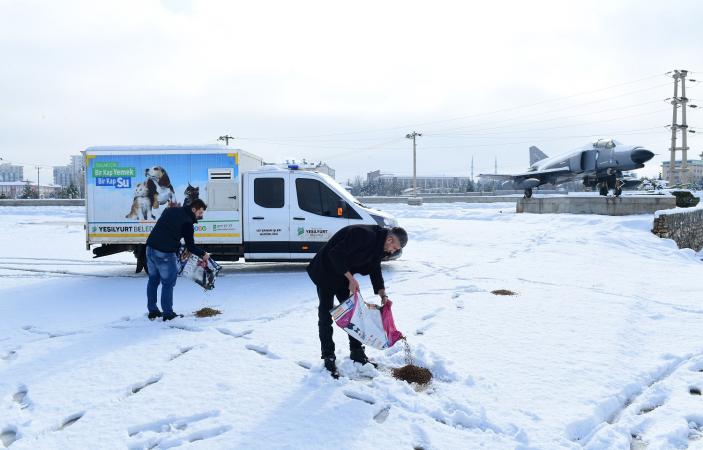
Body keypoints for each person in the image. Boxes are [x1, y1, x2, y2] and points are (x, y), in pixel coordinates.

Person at [307, 224, 408, 378]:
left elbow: (375, 269)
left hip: (342, 275)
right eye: (394, 247)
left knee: (355, 314)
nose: (393, 251)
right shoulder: (363, 234)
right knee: (326, 315)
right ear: (389, 239)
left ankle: (357, 353)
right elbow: (335, 254)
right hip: (326, 271)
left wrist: (383, 294)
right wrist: (351, 278)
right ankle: (328, 357)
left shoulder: (379, 246)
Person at [145, 199, 210, 321]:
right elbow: (191, 246)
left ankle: (152, 311)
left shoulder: (171, 210)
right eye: (200, 212)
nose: (201, 215)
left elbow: (168, 229)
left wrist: (177, 245)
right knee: (168, 283)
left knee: (153, 281)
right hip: (164, 253)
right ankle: (168, 314)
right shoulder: (187, 222)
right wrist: (203, 254)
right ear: (193, 209)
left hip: (150, 248)